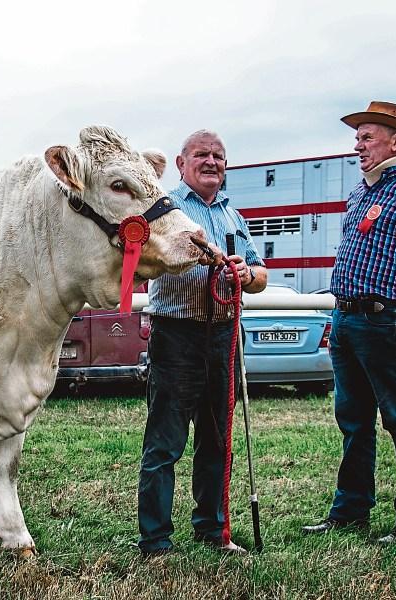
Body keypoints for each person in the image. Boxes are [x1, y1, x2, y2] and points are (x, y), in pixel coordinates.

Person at [302, 102, 396, 543]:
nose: (357, 145)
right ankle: (350, 510)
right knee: (353, 419)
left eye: (367, 137)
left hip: (387, 323)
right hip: (346, 319)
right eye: (358, 136)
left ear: (395, 141)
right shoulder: (363, 192)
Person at [138, 130, 268, 556]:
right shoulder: (164, 209)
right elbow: (147, 262)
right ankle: (156, 539)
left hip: (225, 336)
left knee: (217, 440)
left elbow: (261, 274)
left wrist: (246, 275)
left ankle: (213, 529)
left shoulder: (234, 215)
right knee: (166, 442)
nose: (211, 161)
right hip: (177, 335)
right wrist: (199, 257)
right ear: (181, 163)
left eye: (218, 155)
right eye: (201, 155)